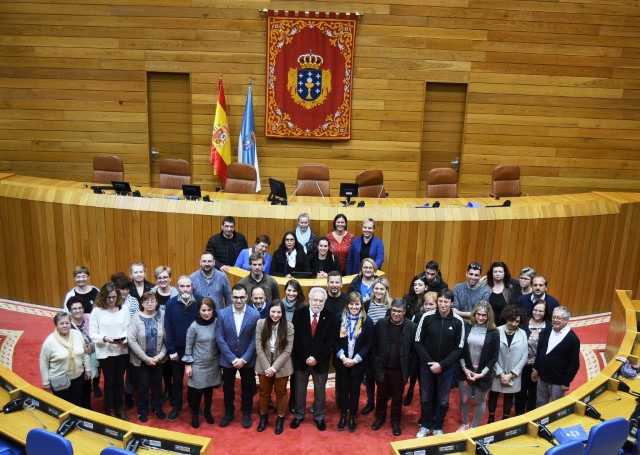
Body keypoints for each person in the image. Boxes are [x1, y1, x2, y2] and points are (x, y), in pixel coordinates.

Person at [414, 288, 465, 437]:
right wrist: (431, 363)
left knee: (443, 400)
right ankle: (425, 425)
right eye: (440, 301)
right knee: (425, 397)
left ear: (452, 303)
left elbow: (459, 348)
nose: (443, 304)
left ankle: (437, 426)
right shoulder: (427, 317)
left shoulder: (458, 321)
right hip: (426, 366)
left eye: (446, 302)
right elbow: (418, 342)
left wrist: (442, 365)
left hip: (447, 368)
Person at [215, 284, 260, 429]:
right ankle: (229, 413)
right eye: (235, 297)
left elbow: (255, 339)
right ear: (232, 297)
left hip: (248, 360)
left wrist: (244, 358)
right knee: (228, 388)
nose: (238, 300)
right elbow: (220, 338)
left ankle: (246, 413)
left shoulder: (255, 314)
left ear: (247, 297)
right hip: (228, 360)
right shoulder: (222, 313)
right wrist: (233, 359)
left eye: (241, 297)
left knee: (247, 388)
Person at [290, 287, 334, 432]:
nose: (317, 303)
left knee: (320, 391)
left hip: (320, 363)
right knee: (299, 390)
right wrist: (305, 357)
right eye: (315, 300)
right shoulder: (299, 314)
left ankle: (319, 417)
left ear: (324, 302)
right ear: (310, 300)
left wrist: (316, 358)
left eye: (321, 301)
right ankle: (299, 415)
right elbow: (295, 340)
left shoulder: (330, 316)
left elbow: (329, 343)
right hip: (301, 361)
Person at [372, 298, 416, 436]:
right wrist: (375, 365)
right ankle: (380, 418)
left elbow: (414, 353)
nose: (396, 314)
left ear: (404, 312)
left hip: (400, 370)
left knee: (397, 398)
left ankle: (395, 421)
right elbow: (374, 345)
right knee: (381, 396)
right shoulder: (381, 323)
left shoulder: (411, 327)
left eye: (399, 311)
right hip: (382, 368)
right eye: (393, 310)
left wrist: (408, 372)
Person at [333, 292, 374, 433]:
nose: (354, 306)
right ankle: (343, 414)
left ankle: (352, 416)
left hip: (358, 363)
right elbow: (334, 340)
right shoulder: (340, 318)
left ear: (361, 305)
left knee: (355, 391)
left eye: (357, 304)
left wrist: (355, 359)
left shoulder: (367, 321)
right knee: (343, 390)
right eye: (351, 303)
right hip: (342, 362)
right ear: (347, 304)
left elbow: (369, 344)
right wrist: (343, 358)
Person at [89, 283, 131, 420]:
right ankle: (110, 408)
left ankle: (119, 406)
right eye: (108, 298)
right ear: (103, 297)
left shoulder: (124, 309)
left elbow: (128, 328)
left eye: (114, 297)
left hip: (121, 350)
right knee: (110, 381)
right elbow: (93, 333)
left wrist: (123, 339)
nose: (111, 300)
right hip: (105, 351)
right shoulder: (97, 311)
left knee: (120, 380)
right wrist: (105, 338)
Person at [164, 276, 202, 421]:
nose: (185, 289)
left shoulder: (200, 301)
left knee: (196, 381)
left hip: (197, 350)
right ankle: (177, 406)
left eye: (188, 286)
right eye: (182, 286)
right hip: (178, 350)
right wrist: (171, 350)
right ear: (177, 287)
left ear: (192, 287)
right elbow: (168, 328)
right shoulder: (171, 304)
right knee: (177, 380)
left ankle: (195, 407)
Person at [457, 301, 499, 431]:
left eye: (484, 315)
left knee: (480, 401)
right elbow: (460, 350)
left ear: (489, 316)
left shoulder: (494, 333)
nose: (480, 317)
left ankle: (474, 428)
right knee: (464, 400)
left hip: (483, 374)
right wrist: (465, 369)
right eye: (478, 314)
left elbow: (494, 357)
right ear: (474, 314)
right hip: (465, 371)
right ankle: (464, 424)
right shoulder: (466, 327)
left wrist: (482, 373)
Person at [255, 301, 294, 435]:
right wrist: (267, 367)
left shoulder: (289, 327)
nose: (275, 315)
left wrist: (274, 368)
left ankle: (280, 419)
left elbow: (288, 350)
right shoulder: (261, 323)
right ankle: (263, 418)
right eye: (273, 311)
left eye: (278, 312)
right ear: (269, 311)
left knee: (281, 393)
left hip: (282, 365)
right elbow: (259, 347)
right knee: (264, 392)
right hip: (263, 363)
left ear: (282, 313)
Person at [127, 292, 167, 422]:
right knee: (143, 386)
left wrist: (160, 356)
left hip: (158, 359)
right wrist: (145, 358)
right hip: (141, 360)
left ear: (157, 302)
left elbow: (168, 338)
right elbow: (131, 340)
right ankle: (142, 410)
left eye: (153, 301)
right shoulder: (136, 317)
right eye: (146, 301)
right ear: (142, 303)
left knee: (157, 384)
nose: (150, 304)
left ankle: (157, 407)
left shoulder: (162, 316)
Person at [183, 297, 221, 428]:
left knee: (209, 389)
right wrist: (188, 364)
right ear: (198, 311)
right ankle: (194, 413)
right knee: (197, 392)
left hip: (213, 363)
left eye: (209, 310)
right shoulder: (193, 326)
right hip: (198, 364)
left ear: (213, 310)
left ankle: (207, 411)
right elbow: (188, 346)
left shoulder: (217, 323)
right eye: (203, 310)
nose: (206, 313)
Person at [40, 311, 91, 407]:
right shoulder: (49, 341)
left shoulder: (77, 335)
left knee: (77, 402)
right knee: (62, 405)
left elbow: (84, 353)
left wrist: (88, 369)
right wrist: (46, 383)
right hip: (59, 379)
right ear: (56, 325)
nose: (65, 326)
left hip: (78, 376)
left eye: (67, 323)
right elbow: (44, 363)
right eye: (61, 323)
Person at [532, 306, 580, 407]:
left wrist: (567, 382)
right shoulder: (547, 330)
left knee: (556, 407)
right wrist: (536, 369)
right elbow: (540, 350)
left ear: (566, 320)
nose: (555, 320)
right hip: (542, 376)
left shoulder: (572, 339)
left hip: (558, 381)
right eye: (554, 317)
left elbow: (574, 363)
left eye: (559, 318)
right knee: (540, 403)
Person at [487, 305, 528, 423]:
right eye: (511, 320)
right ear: (506, 318)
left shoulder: (523, 334)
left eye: (517, 321)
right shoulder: (496, 331)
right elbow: (492, 355)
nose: (514, 323)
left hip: (513, 373)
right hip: (497, 372)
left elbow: (524, 356)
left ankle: (505, 419)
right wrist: (500, 373)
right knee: (494, 394)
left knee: (509, 396)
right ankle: (491, 418)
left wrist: (511, 374)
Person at [360, 276, 393, 415]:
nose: (379, 291)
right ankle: (370, 402)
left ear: (386, 290)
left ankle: (381, 401)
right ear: (373, 289)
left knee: (382, 377)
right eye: (376, 288)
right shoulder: (366, 304)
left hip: (385, 348)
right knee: (369, 377)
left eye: (382, 289)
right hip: (369, 347)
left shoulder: (391, 306)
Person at [404, 291, 438, 406]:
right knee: (413, 372)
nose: (428, 307)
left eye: (431, 304)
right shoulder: (418, 316)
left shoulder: (439, 318)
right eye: (426, 304)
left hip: (430, 353)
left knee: (425, 380)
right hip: (416, 351)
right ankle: (410, 390)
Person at [515, 299, 547, 415]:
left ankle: (530, 417)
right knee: (520, 393)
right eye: (535, 310)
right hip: (522, 365)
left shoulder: (548, 327)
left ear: (545, 312)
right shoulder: (524, 324)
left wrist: (536, 367)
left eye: (541, 311)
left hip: (537, 367)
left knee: (534, 394)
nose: (537, 313)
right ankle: (518, 417)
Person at [66, 296, 97, 409]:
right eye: (74, 309)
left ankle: (87, 406)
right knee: (76, 385)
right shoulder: (67, 323)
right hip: (76, 358)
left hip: (92, 354)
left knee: (87, 384)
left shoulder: (90, 318)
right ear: (69, 311)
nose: (78, 310)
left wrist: (92, 346)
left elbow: (98, 332)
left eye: (80, 308)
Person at [485, 261, 514, 326]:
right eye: (495, 272)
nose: (497, 274)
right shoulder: (484, 286)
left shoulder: (510, 288)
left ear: (504, 273)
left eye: (500, 272)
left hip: (503, 325)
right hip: (486, 323)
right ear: (491, 273)